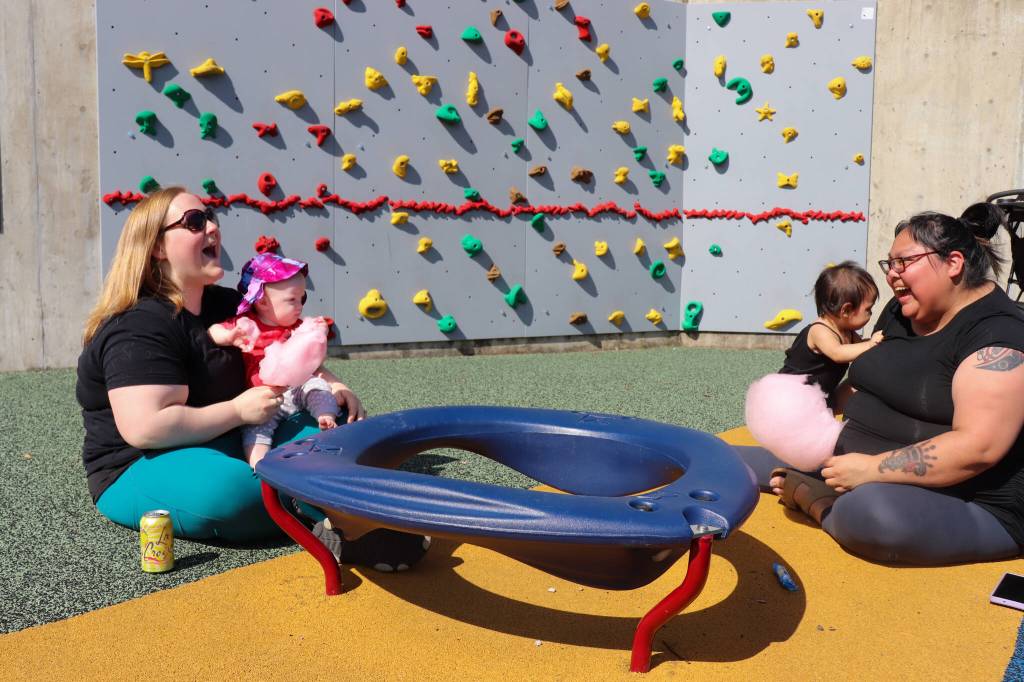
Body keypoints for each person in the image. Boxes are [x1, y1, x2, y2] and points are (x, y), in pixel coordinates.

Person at [77, 187, 425, 571]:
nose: (212, 227)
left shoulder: (228, 305)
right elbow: (147, 428)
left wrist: (335, 384)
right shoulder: (138, 327)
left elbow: (290, 351)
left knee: (336, 428)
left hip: (232, 436)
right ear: (157, 247)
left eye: (211, 217)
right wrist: (239, 410)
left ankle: (345, 514)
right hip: (141, 463)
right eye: (195, 222)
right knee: (229, 492)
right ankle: (334, 516)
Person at [738, 202, 1024, 565]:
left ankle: (820, 503)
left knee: (874, 515)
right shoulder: (902, 310)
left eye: (905, 262)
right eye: (891, 264)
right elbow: (866, 378)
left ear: (953, 263)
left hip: (969, 502)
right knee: (728, 459)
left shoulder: (998, 339)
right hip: (849, 463)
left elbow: (978, 447)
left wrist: (869, 470)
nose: (893, 275)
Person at [208, 253, 339, 469]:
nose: (300, 306)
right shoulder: (246, 323)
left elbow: (313, 361)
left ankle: (326, 416)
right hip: (263, 396)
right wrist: (228, 337)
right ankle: (258, 465)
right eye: (292, 299)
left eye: (302, 299)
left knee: (317, 386)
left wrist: (317, 333)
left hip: (295, 388)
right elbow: (213, 330)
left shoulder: (297, 326)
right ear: (262, 301)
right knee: (255, 430)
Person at [778, 262, 884, 408]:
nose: (870, 314)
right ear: (846, 310)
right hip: (792, 397)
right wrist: (870, 343)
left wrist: (881, 344)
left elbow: (860, 349)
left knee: (860, 384)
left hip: (822, 394)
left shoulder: (848, 332)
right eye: (868, 310)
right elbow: (837, 353)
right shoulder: (820, 331)